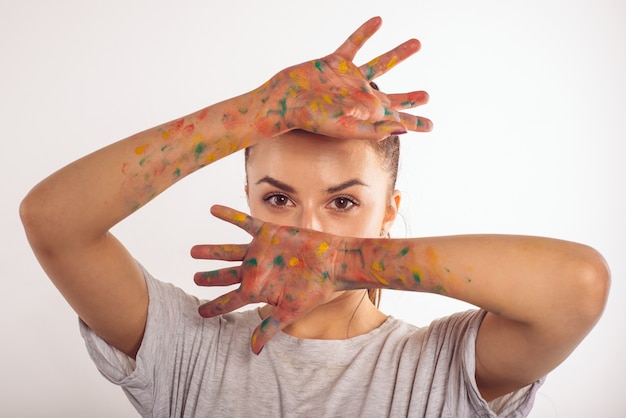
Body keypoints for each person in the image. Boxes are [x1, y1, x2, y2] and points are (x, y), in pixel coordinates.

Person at [20, 17, 609, 417]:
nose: (308, 231)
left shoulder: (443, 367)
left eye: (344, 202)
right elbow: (52, 220)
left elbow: (578, 287)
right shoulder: (184, 348)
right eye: (277, 199)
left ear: (389, 214)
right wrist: (257, 111)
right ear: (247, 197)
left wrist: (345, 264)